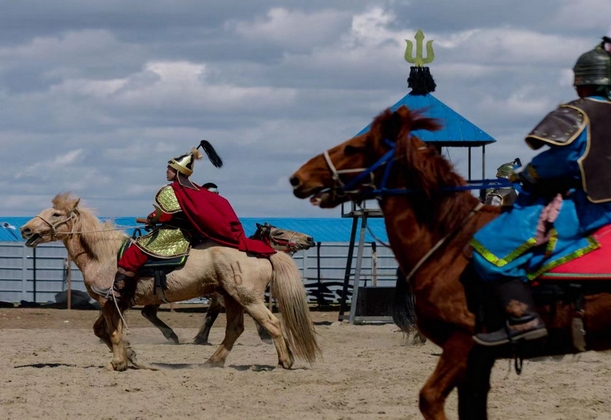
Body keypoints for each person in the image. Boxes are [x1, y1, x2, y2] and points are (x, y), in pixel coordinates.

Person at [470, 40, 611, 346]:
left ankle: (523, 319)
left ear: (580, 84)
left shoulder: (579, 114)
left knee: (489, 247)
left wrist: (527, 175)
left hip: (589, 208)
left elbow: (562, 160)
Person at [108, 141, 275, 301]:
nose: (167, 171)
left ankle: (119, 289)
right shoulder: (195, 191)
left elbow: (166, 215)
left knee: (136, 250)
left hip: (172, 235)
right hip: (191, 233)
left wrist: (152, 219)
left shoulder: (171, 190)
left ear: (178, 172)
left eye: (170, 168)